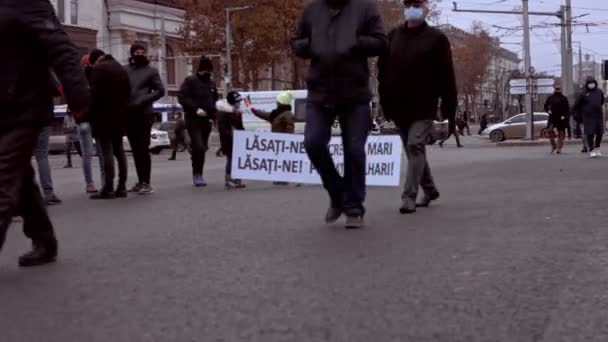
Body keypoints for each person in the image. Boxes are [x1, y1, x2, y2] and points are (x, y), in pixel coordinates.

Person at [0, 0, 89, 267]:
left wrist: (79, 98)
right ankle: (43, 237)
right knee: (20, 178)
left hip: (22, 106)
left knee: (2, 176)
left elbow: (61, 48)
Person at [291, 0, 387, 229]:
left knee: (354, 150)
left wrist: (355, 41)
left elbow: (381, 42)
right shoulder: (313, 9)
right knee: (313, 143)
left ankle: (354, 207)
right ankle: (337, 193)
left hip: (354, 93)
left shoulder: (365, 7)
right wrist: (312, 45)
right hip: (319, 92)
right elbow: (296, 42)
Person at [378, 0, 457, 214]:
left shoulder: (436, 39)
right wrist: (384, 105)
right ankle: (430, 190)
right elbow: (382, 73)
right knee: (414, 149)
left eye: (418, 3)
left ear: (426, 8)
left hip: (424, 105)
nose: (413, 8)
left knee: (414, 145)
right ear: (405, 8)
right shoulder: (393, 36)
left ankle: (408, 197)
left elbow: (447, 77)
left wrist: (450, 112)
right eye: (409, 4)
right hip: (398, 106)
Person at [87, 49, 131, 199]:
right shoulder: (120, 67)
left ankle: (108, 188)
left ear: (94, 61)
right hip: (120, 116)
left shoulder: (99, 69)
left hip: (103, 117)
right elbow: (128, 92)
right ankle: (122, 187)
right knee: (119, 151)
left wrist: (89, 113)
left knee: (106, 152)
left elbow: (94, 95)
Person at [125, 43, 165, 194]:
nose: (139, 54)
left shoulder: (151, 71)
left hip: (144, 113)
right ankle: (140, 180)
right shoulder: (126, 70)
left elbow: (160, 90)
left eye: (142, 51)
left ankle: (146, 182)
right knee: (135, 149)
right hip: (129, 113)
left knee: (142, 148)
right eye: (136, 51)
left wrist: (144, 99)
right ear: (132, 53)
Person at [177, 56, 218, 186]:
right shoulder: (190, 81)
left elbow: (214, 99)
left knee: (203, 147)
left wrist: (214, 114)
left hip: (207, 120)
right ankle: (197, 174)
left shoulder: (211, 83)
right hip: (193, 119)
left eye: (210, 71)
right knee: (199, 147)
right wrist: (195, 109)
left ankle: (195, 153)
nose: (208, 73)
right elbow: (182, 97)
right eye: (207, 71)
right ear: (201, 70)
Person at [252, 91, 297, 185]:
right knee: (278, 160)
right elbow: (266, 115)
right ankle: (279, 178)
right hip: (277, 141)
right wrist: (255, 111)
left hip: (283, 141)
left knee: (283, 160)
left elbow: (290, 127)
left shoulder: (287, 114)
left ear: (281, 103)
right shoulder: (276, 113)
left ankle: (283, 179)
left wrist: (288, 140)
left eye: (278, 101)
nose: (276, 103)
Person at [216, 92, 247, 190]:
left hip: (237, 139)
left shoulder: (237, 112)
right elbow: (223, 129)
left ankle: (237, 179)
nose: (239, 103)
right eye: (237, 102)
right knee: (231, 159)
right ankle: (229, 180)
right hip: (229, 140)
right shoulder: (224, 113)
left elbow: (240, 126)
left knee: (236, 159)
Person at [573, 77, 605, 158]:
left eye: (593, 83)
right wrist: (576, 114)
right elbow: (577, 105)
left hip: (598, 115)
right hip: (588, 117)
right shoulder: (583, 94)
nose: (591, 85)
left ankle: (597, 148)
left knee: (600, 133)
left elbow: (601, 101)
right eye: (590, 83)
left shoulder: (599, 92)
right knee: (590, 133)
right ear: (587, 84)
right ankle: (591, 150)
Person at [544, 86, 570, 154]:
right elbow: (545, 106)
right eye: (556, 89)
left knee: (561, 133)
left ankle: (559, 148)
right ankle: (554, 146)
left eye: (558, 89)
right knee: (550, 131)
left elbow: (567, 109)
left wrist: (564, 116)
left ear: (560, 90)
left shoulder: (564, 98)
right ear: (554, 90)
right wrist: (548, 110)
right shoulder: (551, 97)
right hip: (552, 117)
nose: (557, 90)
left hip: (561, 118)